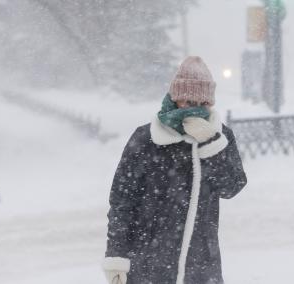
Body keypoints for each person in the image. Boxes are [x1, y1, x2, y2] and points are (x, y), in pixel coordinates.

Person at [102, 56, 247, 284]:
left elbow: (232, 186)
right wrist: (116, 256)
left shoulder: (220, 136)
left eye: (202, 104)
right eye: (187, 102)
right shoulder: (146, 139)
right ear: (175, 98)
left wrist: (210, 143)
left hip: (200, 265)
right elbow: (122, 203)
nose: (194, 110)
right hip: (148, 262)